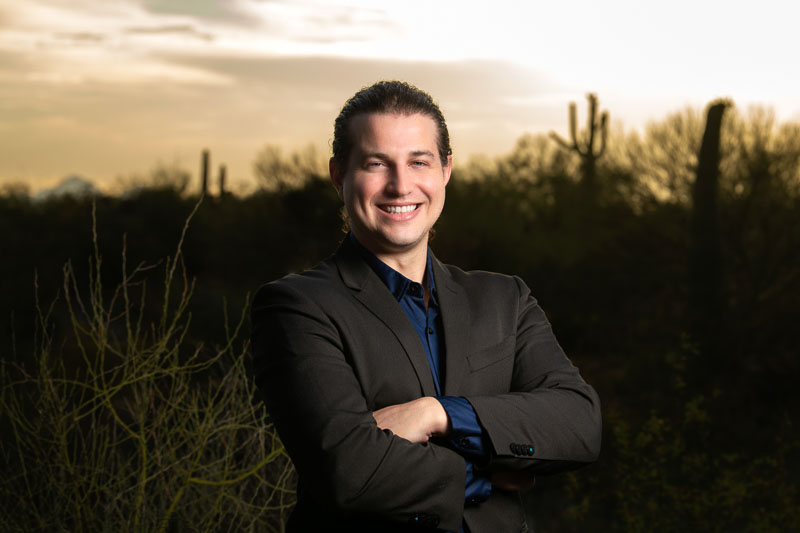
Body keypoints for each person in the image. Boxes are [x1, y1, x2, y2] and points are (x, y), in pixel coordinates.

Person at [251, 80, 601, 532]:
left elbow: (579, 422)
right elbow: (347, 470)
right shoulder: (296, 307)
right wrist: (485, 467)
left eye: (419, 161)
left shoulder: (505, 299)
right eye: (377, 164)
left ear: (445, 171)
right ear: (340, 176)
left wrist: (437, 414)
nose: (400, 186)